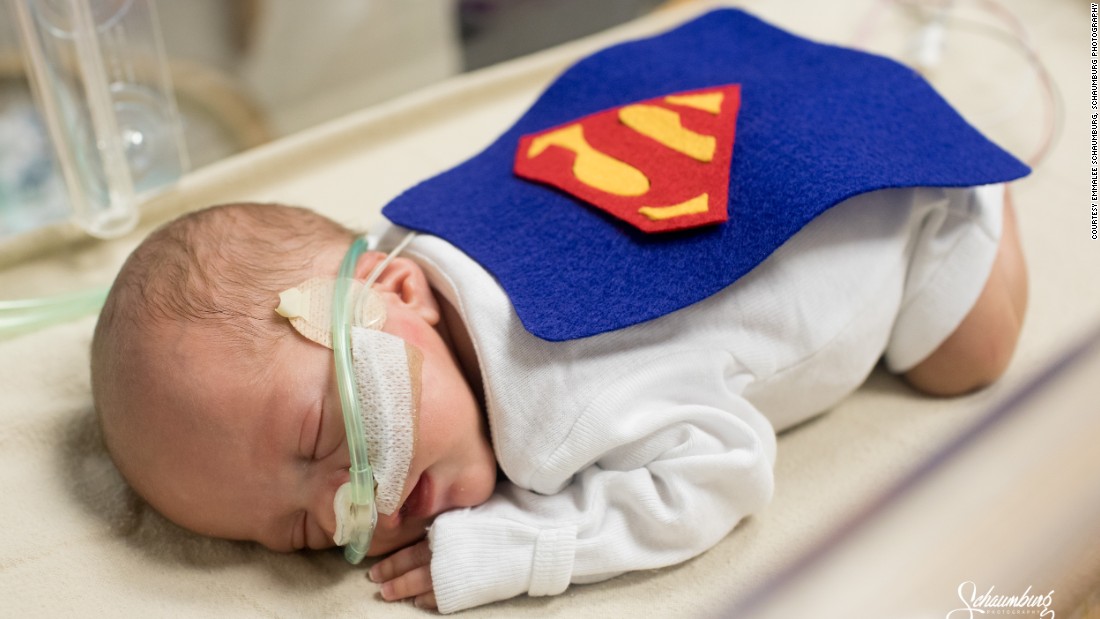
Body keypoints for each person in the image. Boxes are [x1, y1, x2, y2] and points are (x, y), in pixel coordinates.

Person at [91, 176, 1027, 612]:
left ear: (401, 289)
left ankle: (989, 195)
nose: (355, 504)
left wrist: (543, 543)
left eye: (320, 432)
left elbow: (730, 468)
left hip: (893, 212)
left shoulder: (561, 397)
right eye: (305, 532)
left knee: (963, 356)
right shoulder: (422, 259)